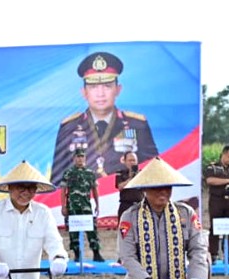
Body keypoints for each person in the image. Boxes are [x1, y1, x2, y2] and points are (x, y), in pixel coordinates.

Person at [51, 52, 158, 186]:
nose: (100, 93)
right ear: (84, 92)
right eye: (93, 87)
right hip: (81, 200)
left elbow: (155, 171)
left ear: (118, 89)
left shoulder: (136, 124)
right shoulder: (69, 127)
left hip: (127, 198)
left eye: (107, 86)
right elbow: (57, 179)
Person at [60, 147, 104, 262]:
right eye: (77, 157)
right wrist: (63, 206)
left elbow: (95, 190)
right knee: (73, 232)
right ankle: (77, 254)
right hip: (72, 207)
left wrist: (98, 205)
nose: (80, 159)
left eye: (82, 156)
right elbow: (63, 190)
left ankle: (96, 253)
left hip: (86, 207)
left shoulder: (90, 173)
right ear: (74, 158)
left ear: (85, 158)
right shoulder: (68, 173)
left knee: (92, 231)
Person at [114, 151, 144, 219]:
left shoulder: (142, 173)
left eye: (134, 160)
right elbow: (120, 187)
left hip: (139, 205)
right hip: (125, 205)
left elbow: (145, 188)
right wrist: (130, 178)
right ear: (125, 161)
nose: (132, 162)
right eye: (130, 160)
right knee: (124, 228)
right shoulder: (120, 173)